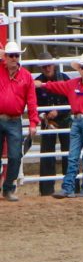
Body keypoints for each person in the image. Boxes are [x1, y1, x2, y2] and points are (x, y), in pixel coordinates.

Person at [35, 52, 83, 199]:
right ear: (80, 69)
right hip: (78, 120)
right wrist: (43, 84)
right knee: (73, 156)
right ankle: (70, 188)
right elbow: (56, 86)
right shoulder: (74, 84)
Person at [0, 40, 39, 202]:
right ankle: (7, 189)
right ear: (6, 57)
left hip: (15, 120)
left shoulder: (26, 77)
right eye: (11, 56)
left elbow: (32, 101)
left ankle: (8, 188)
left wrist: (33, 122)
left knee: (15, 156)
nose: (14, 58)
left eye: (16, 55)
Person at [34, 62, 72, 197]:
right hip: (47, 120)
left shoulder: (63, 78)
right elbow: (34, 102)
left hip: (64, 118)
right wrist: (44, 114)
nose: (47, 68)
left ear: (53, 65)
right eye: (44, 66)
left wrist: (58, 111)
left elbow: (71, 99)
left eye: (49, 65)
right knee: (47, 153)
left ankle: (69, 186)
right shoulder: (39, 81)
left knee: (67, 152)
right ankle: (47, 189)